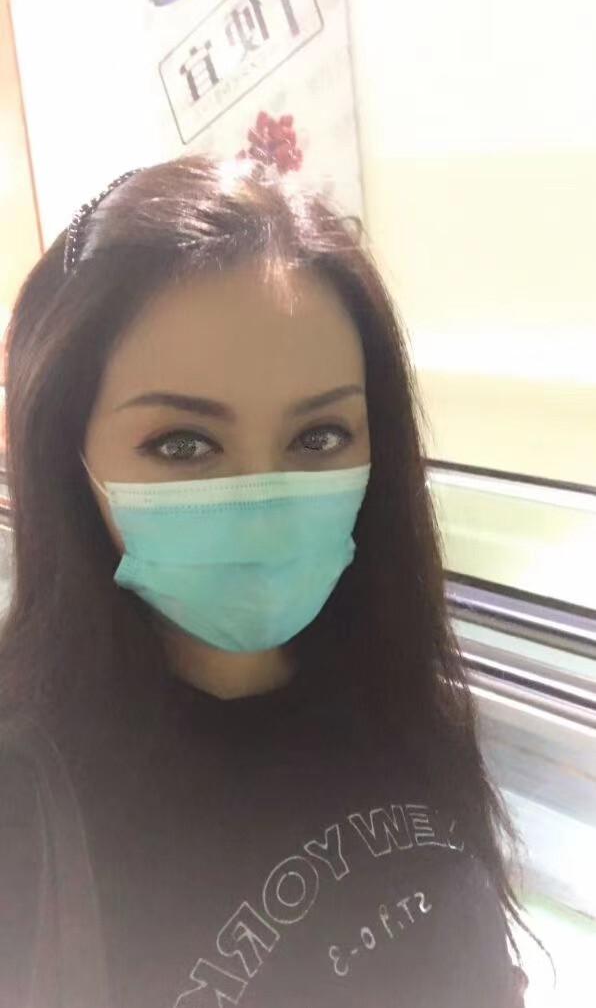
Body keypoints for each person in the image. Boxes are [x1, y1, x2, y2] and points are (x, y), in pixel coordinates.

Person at [0, 153, 531, 1007]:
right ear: (66, 454)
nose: (262, 510)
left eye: (319, 438)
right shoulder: (24, 799)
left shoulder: (408, 701)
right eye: (182, 444)